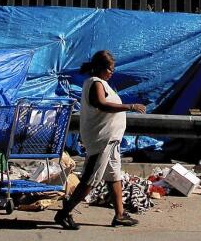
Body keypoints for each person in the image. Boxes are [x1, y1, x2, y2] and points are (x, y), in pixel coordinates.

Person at [54, 50, 147, 230]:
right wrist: (130, 106)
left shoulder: (103, 83)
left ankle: (119, 215)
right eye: (110, 69)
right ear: (100, 68)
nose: (112, 72)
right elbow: (101, 104)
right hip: (101, 140)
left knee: (114, 176)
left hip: (112, 141)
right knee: (90, 179)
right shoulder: (95, 83)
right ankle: (63, 213)